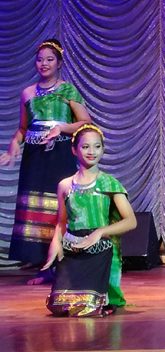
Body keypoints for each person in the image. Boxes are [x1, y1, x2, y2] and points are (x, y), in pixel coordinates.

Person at [0, 39, 91, 283]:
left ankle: (61, 265)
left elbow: (85, 122)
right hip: (34, 156)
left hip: (58, 154)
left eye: (50, 59)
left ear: (59, 63)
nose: (44, 63)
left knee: (57, 209)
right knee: (35, 210)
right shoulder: (27, 93)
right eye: (40, 59)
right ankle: (43, 266)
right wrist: (13, 145)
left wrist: (62, 128)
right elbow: (23, 128)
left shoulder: (68, 90)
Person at [42, 124, 136, 316]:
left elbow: (131, 221)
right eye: (85, 147)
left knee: (89, 306)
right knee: (59, 305)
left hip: (99, 249)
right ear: (74, 150)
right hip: (72, 248)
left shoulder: (109, 183)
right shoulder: (65, 185)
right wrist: (55, 243)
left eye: (97, 146)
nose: (91, 151)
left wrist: (100, 232)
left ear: (103, 149)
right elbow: (62, 222)